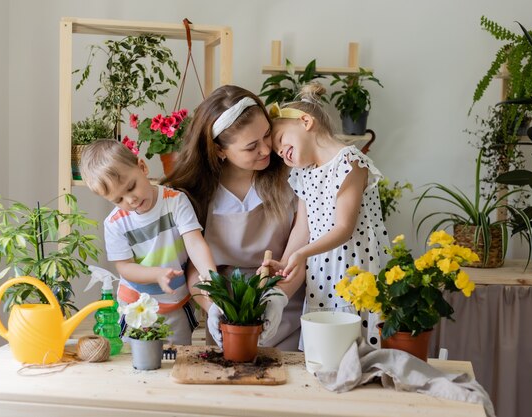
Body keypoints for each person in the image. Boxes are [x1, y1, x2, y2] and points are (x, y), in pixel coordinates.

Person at [164, 85, 306, 350]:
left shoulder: (292, 176)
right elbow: (195, 269)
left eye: (267, 134)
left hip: (285, 304)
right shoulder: (196, 195)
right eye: (251, 147)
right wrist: (213, 307)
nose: (266, 149)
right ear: (219, 150)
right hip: (228, 314)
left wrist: (277, 298)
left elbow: (299, 253)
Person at [265, 82, 391, 348]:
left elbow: (343, 227)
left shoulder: (349, 162)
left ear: (306, 121)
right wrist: (287, 262)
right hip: (322, 273)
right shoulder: (303, 175)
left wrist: (303, 254)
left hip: (353, 267)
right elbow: (303, 228)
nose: (281, 153)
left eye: (280, 141)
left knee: (354, 339)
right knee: (325, 345)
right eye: (278, 153)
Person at [80, 139, 217, 345]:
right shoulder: (115, 224)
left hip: (177, 305)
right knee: (137, 364)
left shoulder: (175, 201)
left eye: (131, 187)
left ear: (142, 167)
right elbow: (125, 268)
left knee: (176, 361)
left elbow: (195, 243)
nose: (130, 200)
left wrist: (210, 276)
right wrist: (157, 274)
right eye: (118, 200)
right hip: (135, 307)